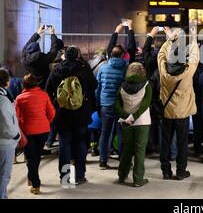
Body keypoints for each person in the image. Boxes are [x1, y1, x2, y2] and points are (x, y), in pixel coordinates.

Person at [46, 46, 98, 185]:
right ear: (77, 56)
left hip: (62, 114)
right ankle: (80, 176)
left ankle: (65, 178)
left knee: (64, 146)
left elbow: (48, 89)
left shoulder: (56, 69)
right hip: (81, 114)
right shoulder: (84, 68)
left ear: (64, 55)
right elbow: (94, 85)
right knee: (81, 144)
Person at [158, 27, 199, 180]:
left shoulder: (163, 71)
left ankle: (166, 171)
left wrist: (171, 39)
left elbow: (161, 55)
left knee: (165, 142)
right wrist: (193, 38)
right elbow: (194, 55)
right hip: (182, 113)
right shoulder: (188, 71)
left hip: (167, 111)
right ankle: (181, 171)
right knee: (182, 143)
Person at [15, 74, 56, 194]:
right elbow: (52, 112)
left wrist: (22, 127)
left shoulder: (20, 98)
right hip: (44, 131)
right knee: (35, 156)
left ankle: (36, 183)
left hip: (28, 131)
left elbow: (17, 117)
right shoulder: (44, 95)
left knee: (31, 157)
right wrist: (45, 122)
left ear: (24, 84)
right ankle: (31, 176)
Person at [114, 63, 152, 187]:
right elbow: (145, 105)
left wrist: (126, 116)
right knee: (140, 151)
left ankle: (122, 175)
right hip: (142, 122)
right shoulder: (147, 86)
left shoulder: (122, 86)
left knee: (127, 150)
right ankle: (138, 179)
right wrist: (134, 117)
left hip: (126, 122)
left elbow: (116, 106)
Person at [96, 45, 128, 169]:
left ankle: (103, 161)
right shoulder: (125, 69)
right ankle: (122, 159)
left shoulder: (103, 68)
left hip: (106, 104)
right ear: (122, 55)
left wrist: (98, 103)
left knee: (105, 133)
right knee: (121, 133)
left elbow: (98, 88)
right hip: (120, 105)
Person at [0, 69, 20, 199]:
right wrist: (15, 135)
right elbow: (8, 121)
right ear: (6, 82)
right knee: (4, 174)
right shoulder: (3, 99)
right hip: (4, 142)